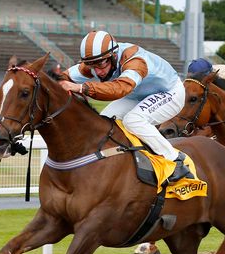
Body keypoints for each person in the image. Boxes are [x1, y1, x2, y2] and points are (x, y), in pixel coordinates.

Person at [58, 30, 188, 182]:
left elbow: (120, 89)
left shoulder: (135, 60)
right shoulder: (96, 61)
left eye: (101, 64)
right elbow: (63, 77)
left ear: (113, 56)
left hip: (170, 92)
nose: (98, 71)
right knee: (103, 121)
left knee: (133, 120)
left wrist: (81, 88)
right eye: (92, 65)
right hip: (137, 95)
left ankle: (175, 160)